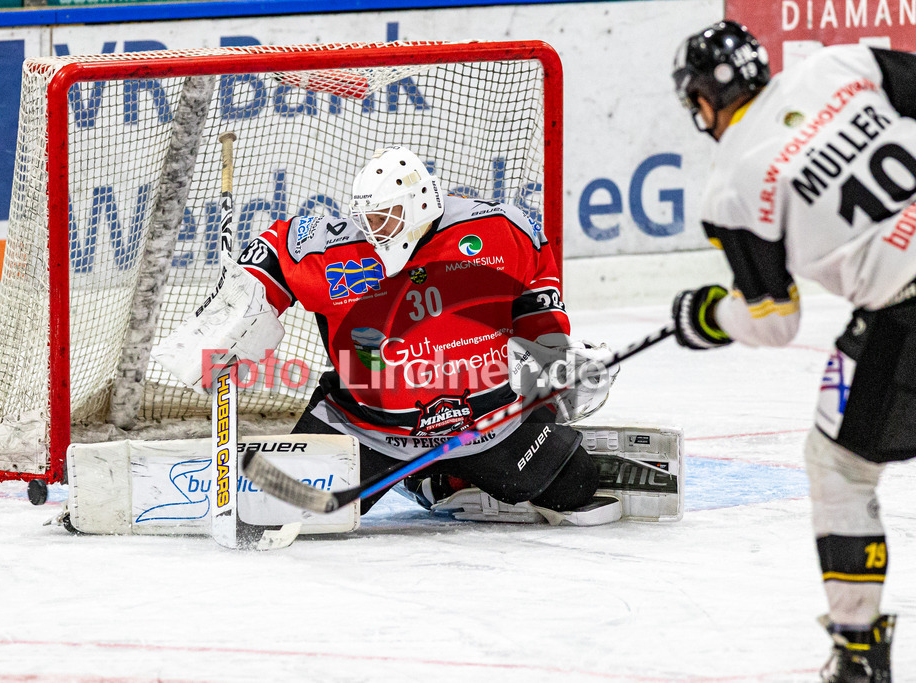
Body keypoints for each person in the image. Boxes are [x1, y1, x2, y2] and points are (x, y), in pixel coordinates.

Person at [670, 20, 916, 681]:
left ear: (702, 103)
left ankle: (860, 650)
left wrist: (708, 315)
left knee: (837, 467)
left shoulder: (731, 185)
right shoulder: (839, 65)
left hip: (905, 316)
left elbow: (775, 320)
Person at [228, 145, 619, 523]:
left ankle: (440, 480)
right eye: (368, 217)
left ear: (420, 205)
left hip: (486, 423)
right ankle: (414, 475)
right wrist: (236, 306)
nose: (373, 228)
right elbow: (274, 254)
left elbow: (536, 275)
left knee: (576, 487)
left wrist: (552, 347)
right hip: (367, 427)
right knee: (284, 507)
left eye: (385, 216)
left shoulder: (496, 228)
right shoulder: (337, 246)